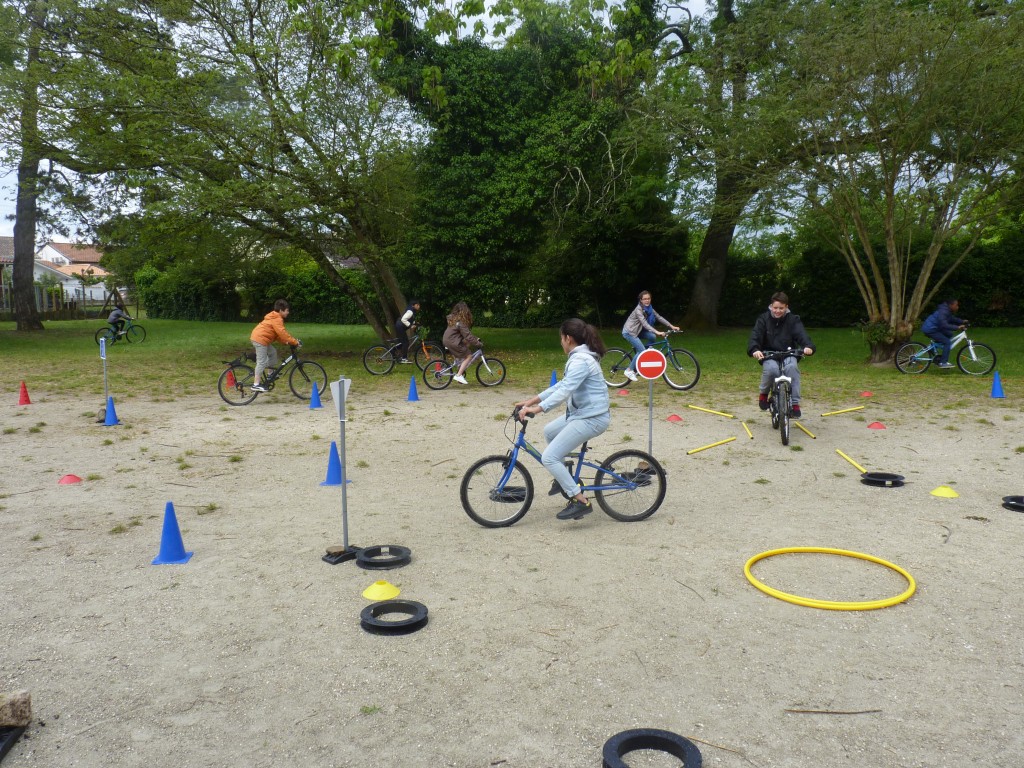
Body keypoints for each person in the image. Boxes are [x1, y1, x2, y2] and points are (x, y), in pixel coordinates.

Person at [514, 319, 610, 521]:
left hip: (592, 418)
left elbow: (565, 391)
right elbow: (559, 386)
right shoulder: (579, 357)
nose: (560, 343)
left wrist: (538, 409)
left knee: (549, 457)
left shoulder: (580, 360)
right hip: (582, 414)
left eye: (561, 339)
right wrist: (530, 401)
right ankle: (564, 474)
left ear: (568, 338)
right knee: (549, 431)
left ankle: (580, 501)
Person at [747, 292, 815, 419]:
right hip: (769, 353)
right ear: (771, 306)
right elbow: (755, 336)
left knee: (792, 369)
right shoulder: (763, 319)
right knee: (771, 370)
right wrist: (755, 349)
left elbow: (802, 334)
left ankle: (795, 404)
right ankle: (763, 394)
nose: (778, 311)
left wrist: (808, 347)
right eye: (775, 308)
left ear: (786, 307)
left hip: (789, 352)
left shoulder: (793, 320)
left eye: (781, 308)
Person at [621, 291, 679, 382]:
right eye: (645, 299)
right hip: (630, 332)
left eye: (648, 298)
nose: (647, 300)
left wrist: (672, 326)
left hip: (638, 331)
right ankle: (629, 370)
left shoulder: (650, 308)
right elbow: (644, 324)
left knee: (652, 337)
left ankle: (643, 354)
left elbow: (659, 317)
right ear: (641, 300)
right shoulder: (638, 310)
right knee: (642, 350)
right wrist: (657, 332)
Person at [249, 299, 301, 392]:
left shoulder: (275, 317)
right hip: (260, 339)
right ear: (281, 310)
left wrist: (287, 342)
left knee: (273, 352)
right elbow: (283, 333)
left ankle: (270, 374)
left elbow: (278, 335)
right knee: (262, 361)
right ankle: (255, 384)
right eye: (287, 310)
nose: (288, 312)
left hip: (262, 339)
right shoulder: (277, 319)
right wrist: (295, 342)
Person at [442, 302, 483, 385]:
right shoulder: (461, 322)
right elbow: (467, 335)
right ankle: (459, 375)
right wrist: (478, 344)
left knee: (466, 344)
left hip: (447, 340)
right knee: (469, 356)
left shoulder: (453, 319)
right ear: (464, 312)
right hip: (453, 342)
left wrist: (475, 339)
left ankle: (459, 367)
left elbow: (467, 336)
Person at [920, 298, 966, 369]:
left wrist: (962, 321)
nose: (957, 307)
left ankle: (932, 348)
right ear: (951, 305)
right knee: (947, 342)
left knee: (949, 334)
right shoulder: (944, 311)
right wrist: (957, 327)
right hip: (931, 329)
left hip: (935, 327)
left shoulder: (946, 310)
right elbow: (944, 325)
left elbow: (951, 319)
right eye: (956, 305)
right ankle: (943, 363)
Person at [394, 299, 421, 364]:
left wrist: (415, 323)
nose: (419, 306)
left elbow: (409, 319)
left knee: (401, 343)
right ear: (413, 305)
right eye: (417, 305)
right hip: (400, 326)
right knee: (406, 343)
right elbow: (403, 319)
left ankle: (392, 352)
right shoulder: (410, 311)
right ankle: (404, 358)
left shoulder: (411, 310)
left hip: (399, 326)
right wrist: (410, 326)